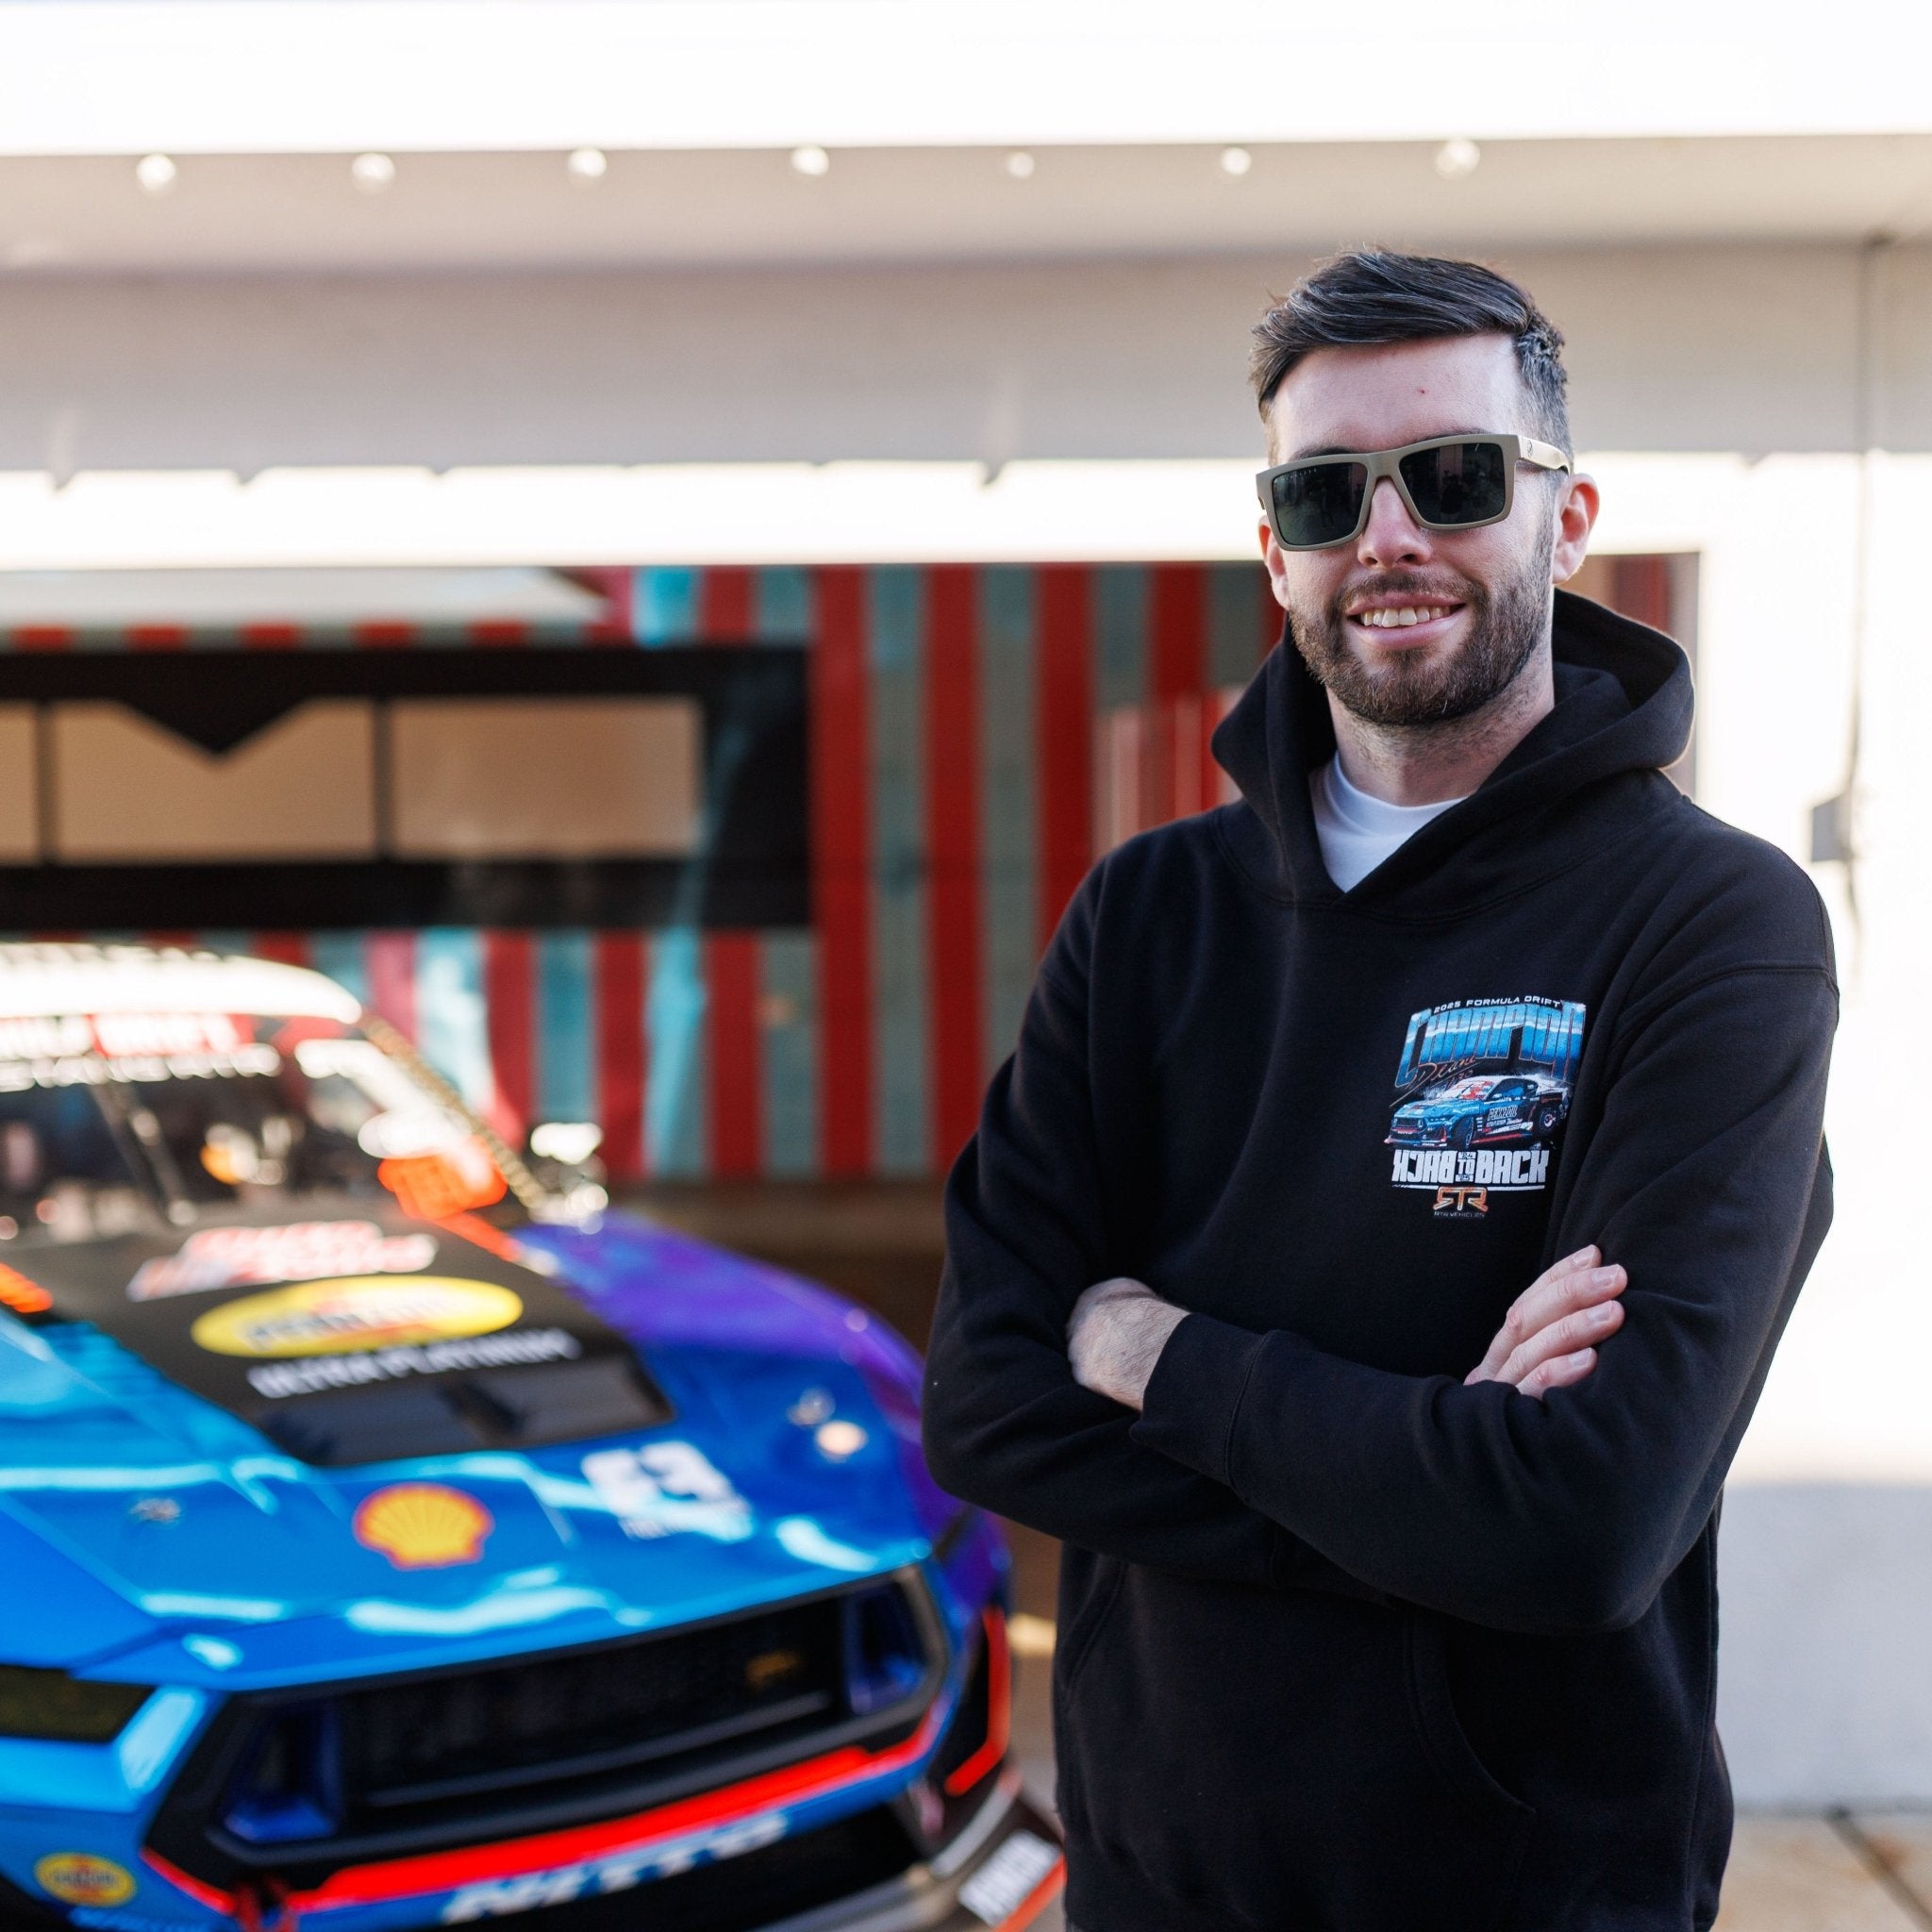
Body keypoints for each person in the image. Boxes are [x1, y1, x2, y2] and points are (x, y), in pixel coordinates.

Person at [921, 250, 1836, 1932]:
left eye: (1457, 476)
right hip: (1151, 1886)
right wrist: (1437, 1467)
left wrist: (1152, 1352)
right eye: (1329, 492)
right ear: (1276, 550)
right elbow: (982, 1405)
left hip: (1531, 1896)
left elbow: (1579, 1525)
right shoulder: (1149, 917)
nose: (1389, 534)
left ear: (1566, 520)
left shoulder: (1715, 926)